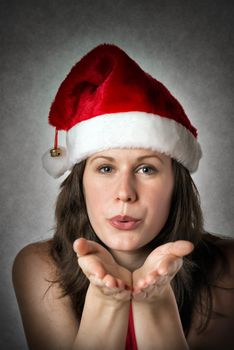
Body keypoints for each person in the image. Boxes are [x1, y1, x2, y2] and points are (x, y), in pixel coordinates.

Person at [12, 44, 234, 350]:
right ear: (81, 184)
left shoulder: (227, 266)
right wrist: (106, 302)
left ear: (175, 185)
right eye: (105, 168)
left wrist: (155, 304)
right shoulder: (38, 266)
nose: (125, 193)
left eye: (146, 169)